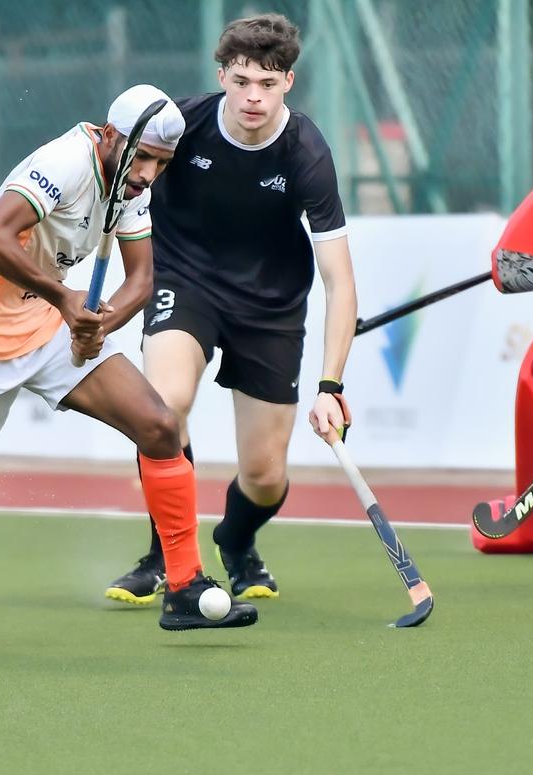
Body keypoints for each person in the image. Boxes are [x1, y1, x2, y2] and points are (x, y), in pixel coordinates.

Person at [0, 84, 257, 637]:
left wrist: (100, 323)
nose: (149, 175)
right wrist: (67, 301)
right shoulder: (64, 163)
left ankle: (184, 587)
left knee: (159, 426)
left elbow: (141, 279)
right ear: (111, 136)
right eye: (144, 159)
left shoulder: (134, 184)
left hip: (48, 330)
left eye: (162, 164)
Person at [104, 14, 357, 605]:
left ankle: (237, 542)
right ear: (222, 75)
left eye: (267, 84)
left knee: (266, 475)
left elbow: (340, 281)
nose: (252, 96)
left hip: (271, 305)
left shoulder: (307, 153)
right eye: (241, 80)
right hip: (184, 280)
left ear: (289, 82)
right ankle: (167, 556)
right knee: (163, 411)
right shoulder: (182, 126)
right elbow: (121, 184)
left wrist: (330, 384)